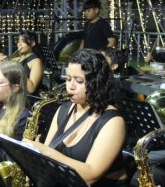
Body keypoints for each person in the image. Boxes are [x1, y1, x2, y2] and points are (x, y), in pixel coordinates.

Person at [24, 49, 127, 187]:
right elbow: (48, 160)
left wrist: (45, 151)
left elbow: (91, 175)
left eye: (79, 81)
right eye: (68, 79)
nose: (70, 86)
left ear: (97, 82)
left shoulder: (113, 122)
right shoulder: (63, 109)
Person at [11, 31, 44, 100]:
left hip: (28, 101)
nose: (19, 44)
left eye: (23, 41)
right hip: (15, 97)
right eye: (18, 41)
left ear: (32, 43)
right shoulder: (16, 59)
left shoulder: (36, 61)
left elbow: (31, 89)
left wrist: (18, 68)